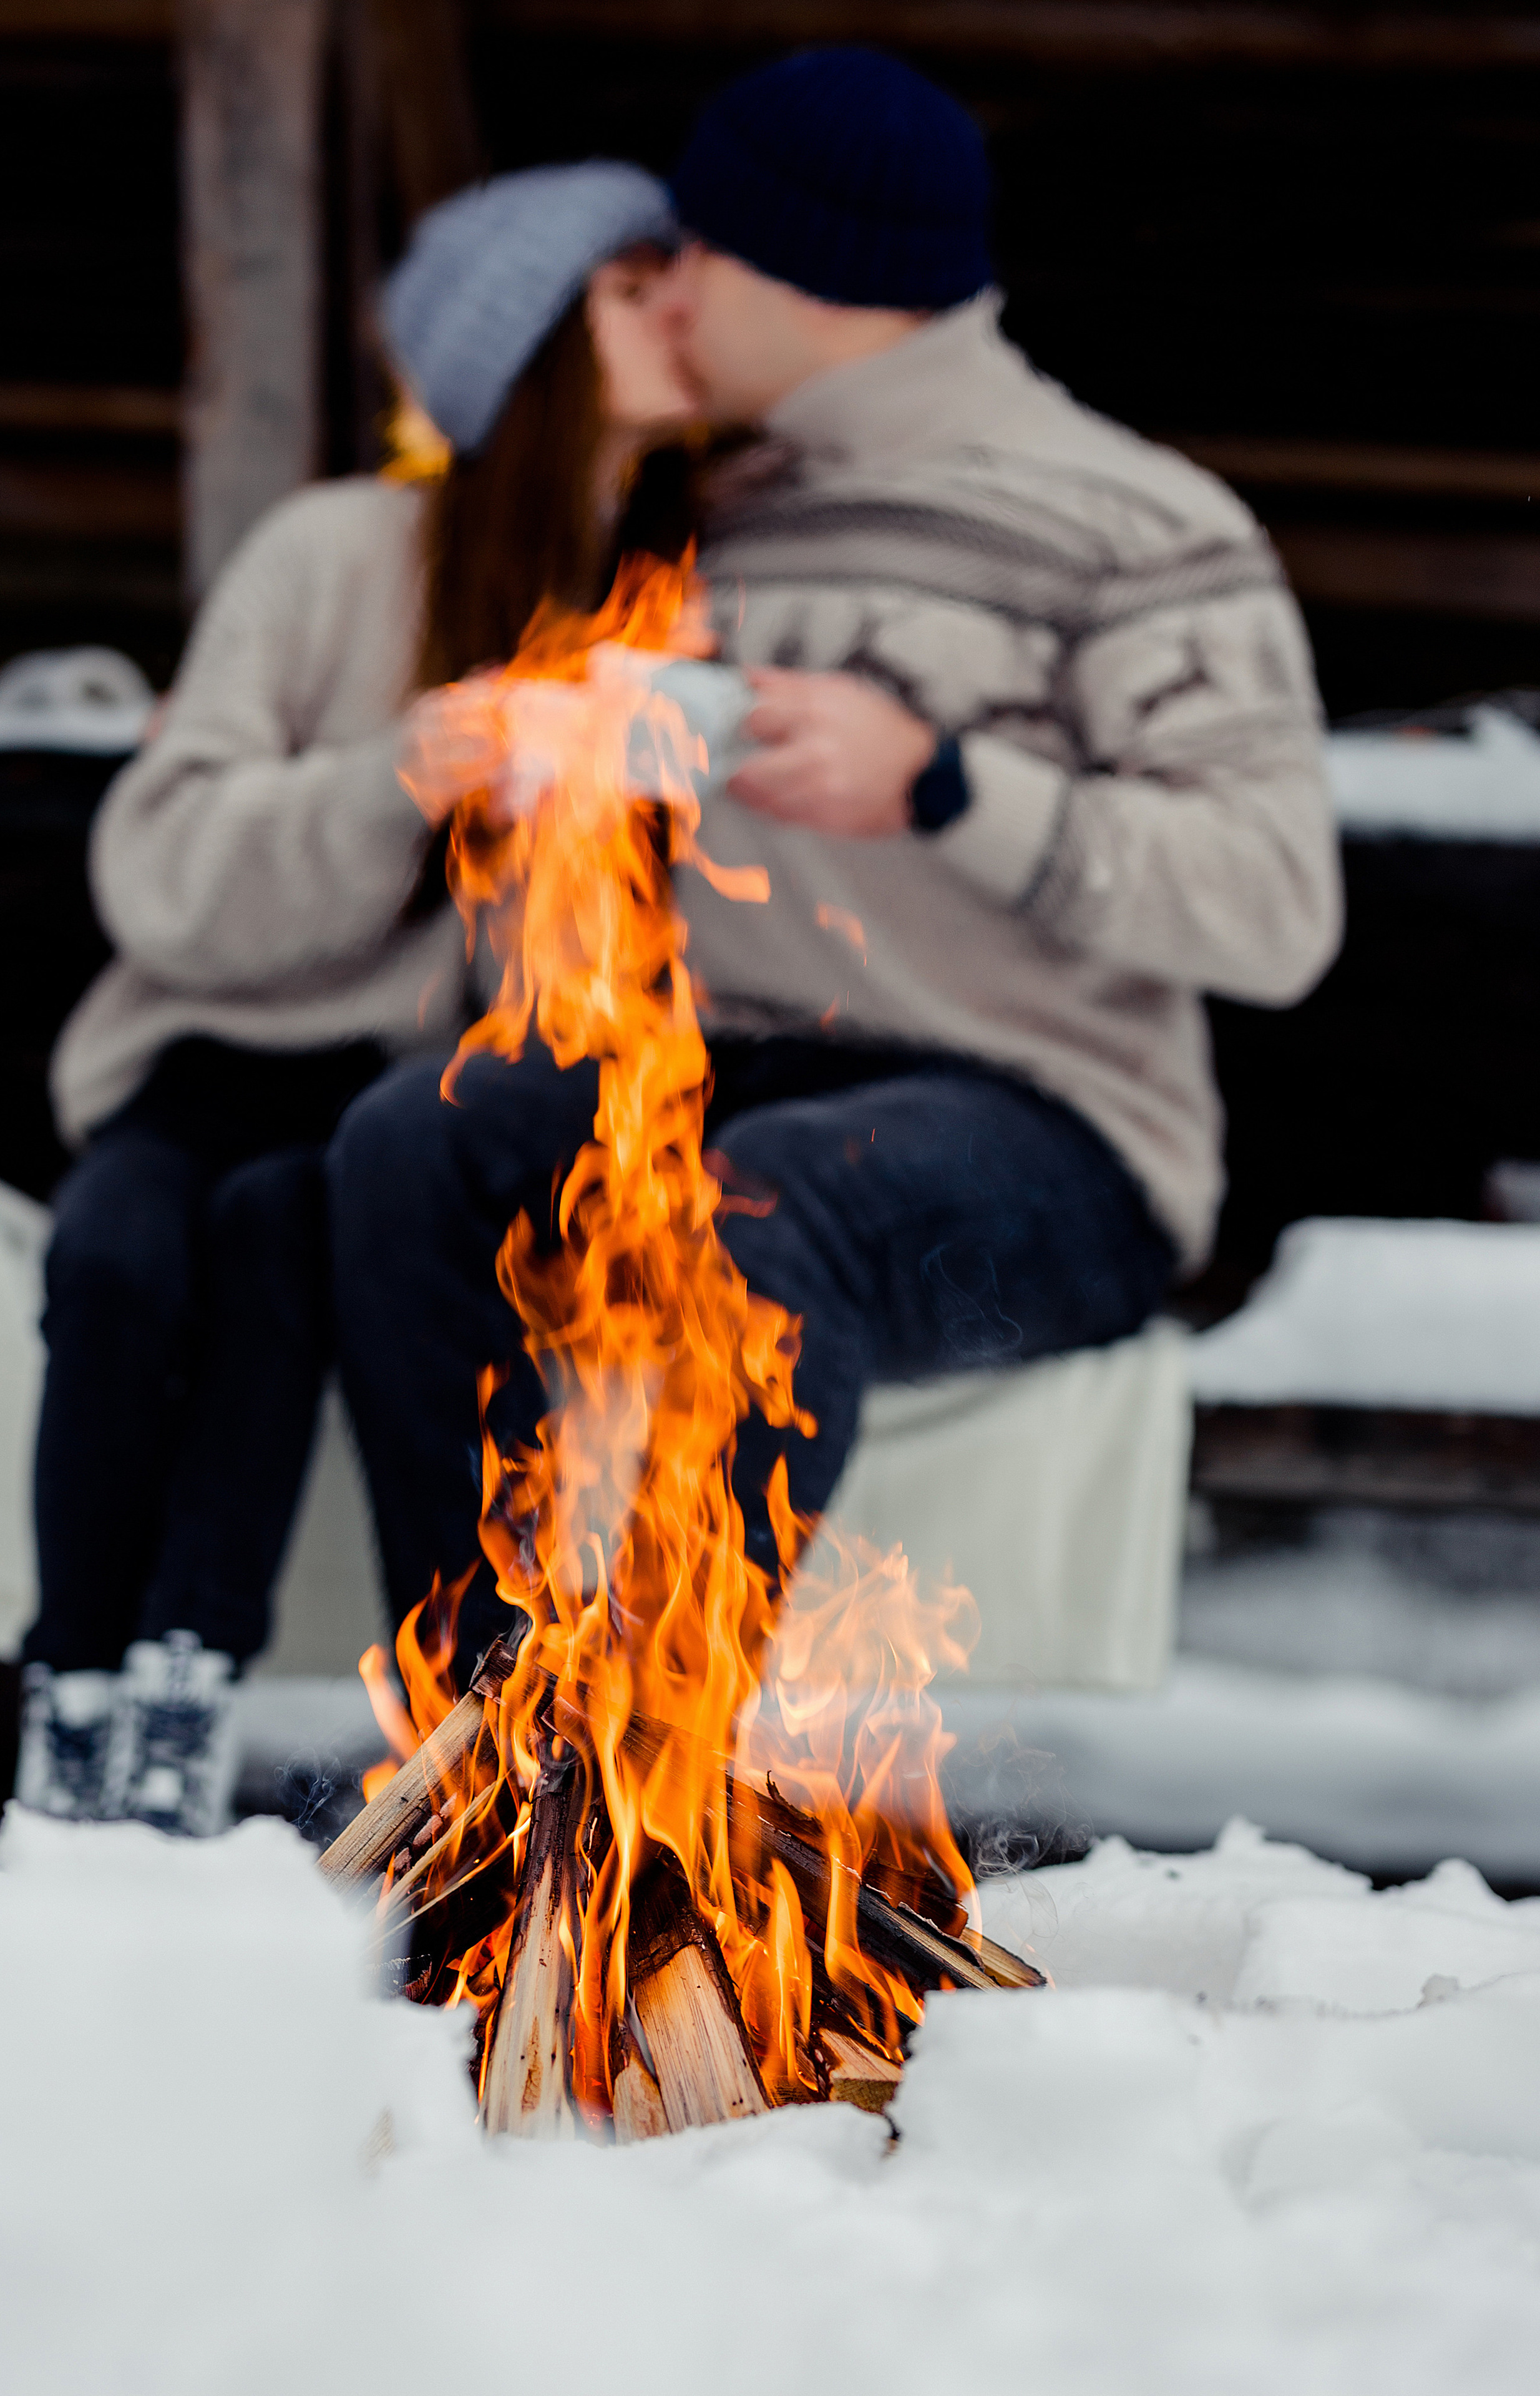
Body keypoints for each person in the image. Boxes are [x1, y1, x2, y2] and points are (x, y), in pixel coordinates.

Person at [328, 46, 1343, 1689]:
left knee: (765, 1216)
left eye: (689, 262)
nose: (666, 304)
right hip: (725, 1062)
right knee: (415, 1147)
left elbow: (1276, 912)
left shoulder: (1141, 523)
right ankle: (479, 1718)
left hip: (1046, 1127)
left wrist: (939, 784)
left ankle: (642, 1761)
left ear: (796, 267)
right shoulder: (705, 513)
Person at [14, 162, 700, 1830]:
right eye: (630, 281)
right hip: (209, 1051)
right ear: (529, 335)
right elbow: (161, 877)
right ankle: (71, 1688)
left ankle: (181, 1684)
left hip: (409, 1115)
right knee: (117, 1255)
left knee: (285, 1239)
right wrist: (404, 769)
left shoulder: (697, 597)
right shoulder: (332, 553)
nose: (682, 297)